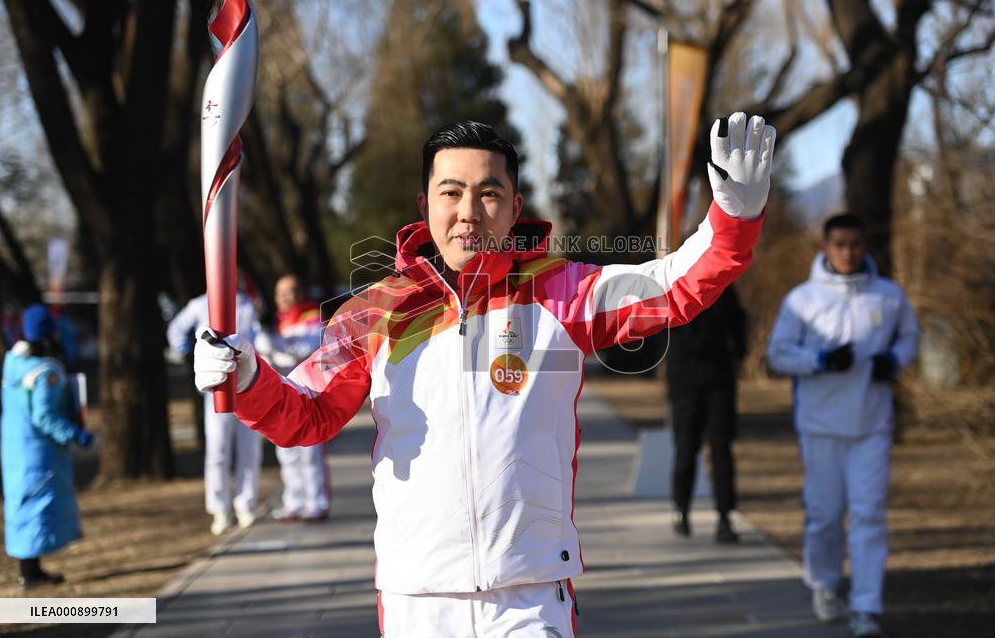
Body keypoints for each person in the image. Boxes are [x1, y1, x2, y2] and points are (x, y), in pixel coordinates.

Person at [195, 113, 775, 635]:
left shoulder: (561, 292)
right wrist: (248, 377)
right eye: (451, 192)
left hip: (528, 595)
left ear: (515, 207)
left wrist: (733, 217)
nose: (469, 211)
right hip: (418, 595)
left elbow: (671, 286)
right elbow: (307, 414)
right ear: (425, 205)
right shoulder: (374, 311)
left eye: (488, 192)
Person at [767, 213, 919, 638]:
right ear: (825, 248)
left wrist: (894, 360)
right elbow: (778, 353)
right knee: (825, 515)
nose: (848, 252)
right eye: (840, 244)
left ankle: (867, 607)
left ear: (864, 246)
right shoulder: (802, 300)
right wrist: (818, 361)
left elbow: (909, 337)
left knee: (869, 514)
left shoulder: (888, 297)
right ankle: (825, 584)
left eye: (855, 244)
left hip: (872, 423)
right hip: (820, 425)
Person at [0, 304, 94, 587]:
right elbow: (45, 416)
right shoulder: (46, 372)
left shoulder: (12, 362)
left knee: (20, 504)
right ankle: (31, 574)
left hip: (15, 447)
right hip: (39, 452)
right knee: (38, 506)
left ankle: (28, 569)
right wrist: (75, 434)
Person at [167, 290, 263, 536]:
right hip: (217, 389)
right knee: (218, 450)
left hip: (248, 387)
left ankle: (245, 505)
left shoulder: (247, 304)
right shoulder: (200, 304)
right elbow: (176, 329)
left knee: (249, 447)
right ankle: (220, 509)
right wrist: (187, 354)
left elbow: (259, 336)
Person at [665, 284, 747, 543]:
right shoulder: (676, 282)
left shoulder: (723, 286)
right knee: (686, 447)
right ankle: (681, 509)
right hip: (684, 378)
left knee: (721, 448)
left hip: (718, 376)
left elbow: (738, 322)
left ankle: (724, 516)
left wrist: (738, 353)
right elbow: (660, 327)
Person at [255, 275, 331, 522]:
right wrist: (267, 343)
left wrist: (274, 344)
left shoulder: (313, 319)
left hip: (309, 394)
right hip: (281, 396)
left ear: (300, 292)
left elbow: (303, 351)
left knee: (310, 452)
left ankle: (317, 503)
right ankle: (294, 502)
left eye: (290, 291)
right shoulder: (273, 323)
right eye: (280, 293)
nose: (284, 297)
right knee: (286, 452)